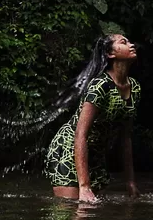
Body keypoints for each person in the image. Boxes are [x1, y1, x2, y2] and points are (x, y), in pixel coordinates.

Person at [45, 34, 140, 202]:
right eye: (124, 42)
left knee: (95, 214)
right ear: (111, 54)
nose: (132, 45)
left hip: (95, 154)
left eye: (130, 41)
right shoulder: (100, 86)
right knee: (74, 211)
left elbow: (126, 138)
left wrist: (130, 182)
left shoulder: (135, 88)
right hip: (70, 148)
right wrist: (84, 186)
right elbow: (80, 134)